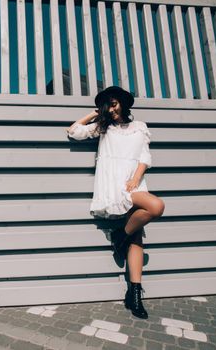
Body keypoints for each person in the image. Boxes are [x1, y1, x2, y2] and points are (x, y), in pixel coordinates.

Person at [65, 86, 165, 319]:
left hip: (134, 184)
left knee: (144, 226)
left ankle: (134, 291)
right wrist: (94, 114)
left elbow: (145, 157)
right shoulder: (104, 128)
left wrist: (136, 178)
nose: (112, 108)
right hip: (113, 185)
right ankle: (122, 240)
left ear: (122, 102)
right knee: (150, 216)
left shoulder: (139, 127)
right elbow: (74, 131)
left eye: (114, 103)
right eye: (108, 104)